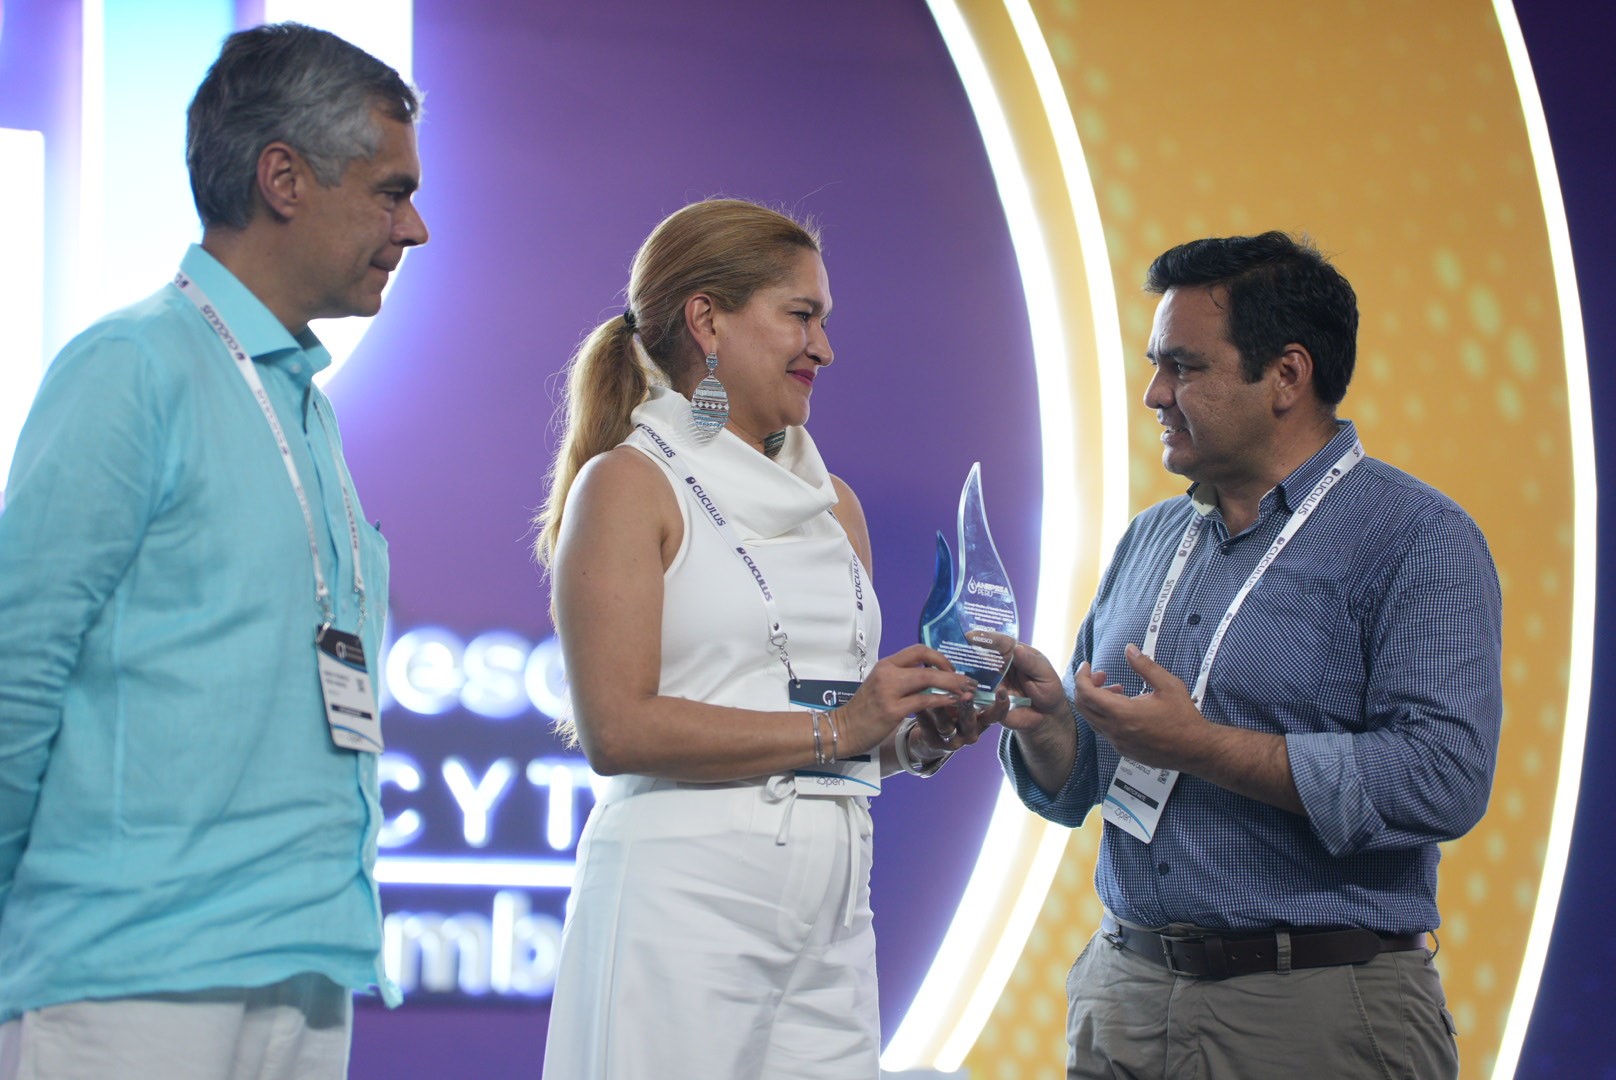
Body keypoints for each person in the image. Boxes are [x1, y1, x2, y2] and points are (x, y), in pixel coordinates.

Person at [0, 23, 428, 1080]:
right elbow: (15, 673)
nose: (414, 229)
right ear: (283, 179)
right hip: (129, 977)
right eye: (390, 192)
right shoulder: (129, 366)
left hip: (308, 970)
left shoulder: (305, 406)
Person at [997, 232, 1502, 1079]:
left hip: (1315, 1010)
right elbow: (1083, 782)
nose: (1155, 394)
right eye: (1156, 365)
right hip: (1126, 996)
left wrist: (1202, 748)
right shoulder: (1150, 537)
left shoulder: (1420, 539)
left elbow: (1442, 779)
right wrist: (1049, 725)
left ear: (1287, 376)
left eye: (1184, 367)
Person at [534, 198, 988, 1079]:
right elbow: (616, 730)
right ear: (708, 321)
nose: (825, 349)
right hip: (682, 907)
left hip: (835, 917)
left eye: (824, 320)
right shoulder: (628, 484)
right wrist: (841, 728)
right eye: (801, 316)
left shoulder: (835, 505)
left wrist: (911, 736)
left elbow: (834, 730)